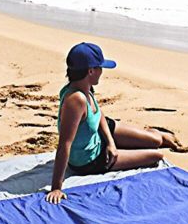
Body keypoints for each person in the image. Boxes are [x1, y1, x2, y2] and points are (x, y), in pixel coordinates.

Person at [46, 42, 179, 204]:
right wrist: (56, 187)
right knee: (156, 156)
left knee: (156, 141)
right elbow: (64, 144)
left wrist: (110, 143)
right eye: (100, 67)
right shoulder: (76, 100)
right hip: (90, 159)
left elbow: (98, 113)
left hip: (98, 132)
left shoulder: (85, 86)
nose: (102, 72)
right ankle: (138, 141)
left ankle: (153, 135)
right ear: (91, 71)